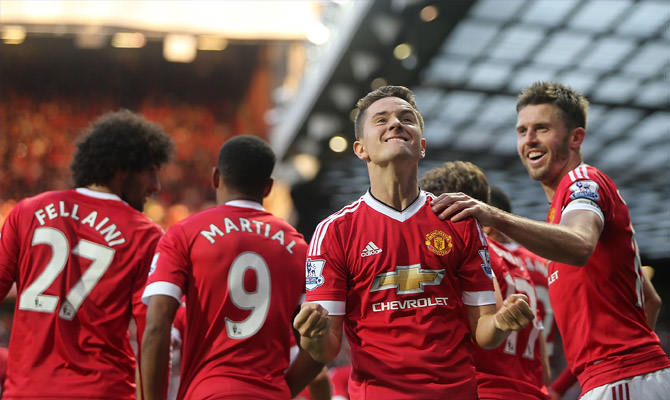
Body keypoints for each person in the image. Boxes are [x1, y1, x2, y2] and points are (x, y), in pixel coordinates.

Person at [293, 85, 534, 399]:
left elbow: (484, 333)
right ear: (360, 149)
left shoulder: (458, 221)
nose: (396, 123)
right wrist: (311, 337)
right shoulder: (335, 231)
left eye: (406, 118)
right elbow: (327, 348)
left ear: (421, 146)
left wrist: (501, 322)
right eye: (381, 120)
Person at [432, 81, 669, 399]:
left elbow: (580, 244)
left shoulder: (582, 180)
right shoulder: (556, 219)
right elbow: (650, 299)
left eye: (541, 128)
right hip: (617, 380)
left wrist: (492, 214)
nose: (529, 140)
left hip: (622, 379)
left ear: (576, 137)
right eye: (522, 130)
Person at [0, 110, 174, 398]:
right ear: (122, 167)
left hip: (26, 391)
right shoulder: (146, 234)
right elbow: (153, 332)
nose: (156, 185)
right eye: (151, 170)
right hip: (102, 391)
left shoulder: (28, 210)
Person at [141, 135, 323, 400]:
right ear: (268, 188)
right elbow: (321, 341)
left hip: (206, 392)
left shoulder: (184, 234)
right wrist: (283, 391)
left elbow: (157, 324)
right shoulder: (299, 248)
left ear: (215, 178)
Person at [421, 161, 550, 399]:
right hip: (533, 392)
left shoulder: (470, 254)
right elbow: (546, 370)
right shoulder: (518, 264)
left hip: (485, 391)